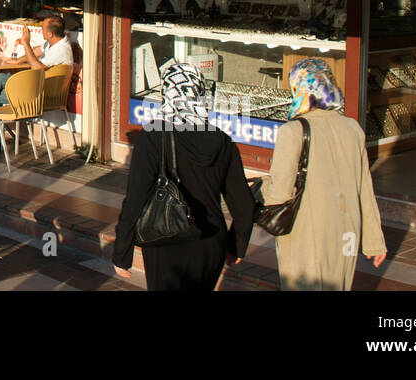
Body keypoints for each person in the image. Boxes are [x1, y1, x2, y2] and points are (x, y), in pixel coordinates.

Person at [112, 60, 253, 291]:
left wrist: (122, 251)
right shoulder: (222, 141)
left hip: (165, 239)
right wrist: (236, 245)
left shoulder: (152, 137)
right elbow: (244, 204)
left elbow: (136, 198)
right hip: (210, 242)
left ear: (167, 92)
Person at [259, 58, 387, 290]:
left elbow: (278, 194)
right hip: (347, 233)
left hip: (308, 234)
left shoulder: (293, 131)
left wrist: (261, 187)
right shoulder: (352, 128)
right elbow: (364, 190)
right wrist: (374, 242)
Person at [0, 15, 74, 149]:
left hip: (39, 96)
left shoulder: (61, 50)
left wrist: (25, 43)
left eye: (42, 28)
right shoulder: (55, 43)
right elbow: (37, 50)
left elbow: (37, 68)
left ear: (50, 34)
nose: (40, 30)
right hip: (37, 90)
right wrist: (18, 60)